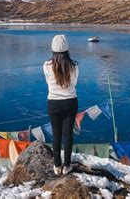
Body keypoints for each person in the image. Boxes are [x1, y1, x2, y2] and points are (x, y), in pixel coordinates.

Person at [43, 34, 79, 175]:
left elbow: (48, 82)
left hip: (53, 103)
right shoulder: (74, 66)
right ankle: (67, 166)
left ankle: (57, 165)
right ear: (67, 49)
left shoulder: (46, 65)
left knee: (56, 134)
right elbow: (74, 83)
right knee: (68, 135)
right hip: (70, 102)